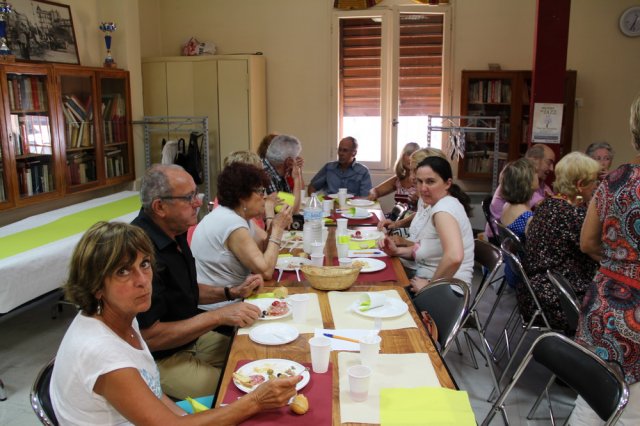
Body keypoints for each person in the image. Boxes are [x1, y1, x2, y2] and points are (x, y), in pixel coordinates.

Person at [50, 221, 300, 425]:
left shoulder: (120, 316)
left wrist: (188, 417)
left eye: (144, 264)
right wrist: (254, 402)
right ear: (95, 285)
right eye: (123, 272)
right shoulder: (102, 351)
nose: (142, 280)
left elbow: (154, 393)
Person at [132, 164, 264, 400]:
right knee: (237, 392)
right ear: (160, 207)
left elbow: (186, 291)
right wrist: (218, 316)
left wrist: (232, 292)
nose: (198, 203)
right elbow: (150, 337)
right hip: (159, 357)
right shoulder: (139, 251)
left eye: (196, 194)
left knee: (256, 358)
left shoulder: (175, 230)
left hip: (191, 340)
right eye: (188, 198)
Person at [571, 96, 640, 425]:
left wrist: (618, 265)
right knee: (632, 411)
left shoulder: (614, 180)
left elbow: (587, 242)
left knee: (591, 401)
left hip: (603, 303)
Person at [191, 162, 293, 311]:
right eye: (260, 192)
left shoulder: (236, 216)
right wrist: (278, 230)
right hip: (219, 308)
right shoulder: (231, 223)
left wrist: (273, 227)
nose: (264, 197)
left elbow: (262, 250)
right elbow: (265, 271)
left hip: (230, 299)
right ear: (242, 196)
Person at [521, 152, 599, 332]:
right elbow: (599, 252)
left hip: (534, 293)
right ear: (580, 185)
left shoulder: (547, 205)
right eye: (594, 181)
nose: (597, 186)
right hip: (558, 302)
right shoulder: (573, 215)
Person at [379, 156, 474, 293]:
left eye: (430, 182)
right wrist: (397, 251)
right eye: (420, 181)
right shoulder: (438, 204)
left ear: (447, 183)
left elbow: (454, 257)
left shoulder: (443, 211)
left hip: (449, 292)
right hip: (433, 282)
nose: (423, 188)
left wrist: (429, 288)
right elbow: (427, 249)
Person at [484, 144, 556, 240]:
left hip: (508, 241)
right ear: (528, 181)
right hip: (501, 239)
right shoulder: (526, 217)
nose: (552, 169)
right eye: (534, 173)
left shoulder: (509, 204)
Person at [308, 136, 372, 196]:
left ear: (354, 153)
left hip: (351, 204)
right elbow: (312, 187)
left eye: (345, 150)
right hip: (329, 203)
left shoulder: (363, 171)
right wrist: (314, 202)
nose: (341, 153)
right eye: (339, 150)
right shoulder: (329, 167)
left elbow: (366, 197)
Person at [367, 142, 420, 210]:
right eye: (409, 154)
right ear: (402, 157)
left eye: (414, 156)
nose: (411, 158)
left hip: (416, 216)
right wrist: (373, 194)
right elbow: (375, 190)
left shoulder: (422, 181)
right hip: (397, 215)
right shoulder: (398, 180)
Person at [262, 134, 304, 213]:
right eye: (296, 158)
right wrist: (297, 177)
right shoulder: (266, 174)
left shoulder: (279, 172)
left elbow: (291, 201)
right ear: (289, 161)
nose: (297, 161)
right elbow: (291, 211)